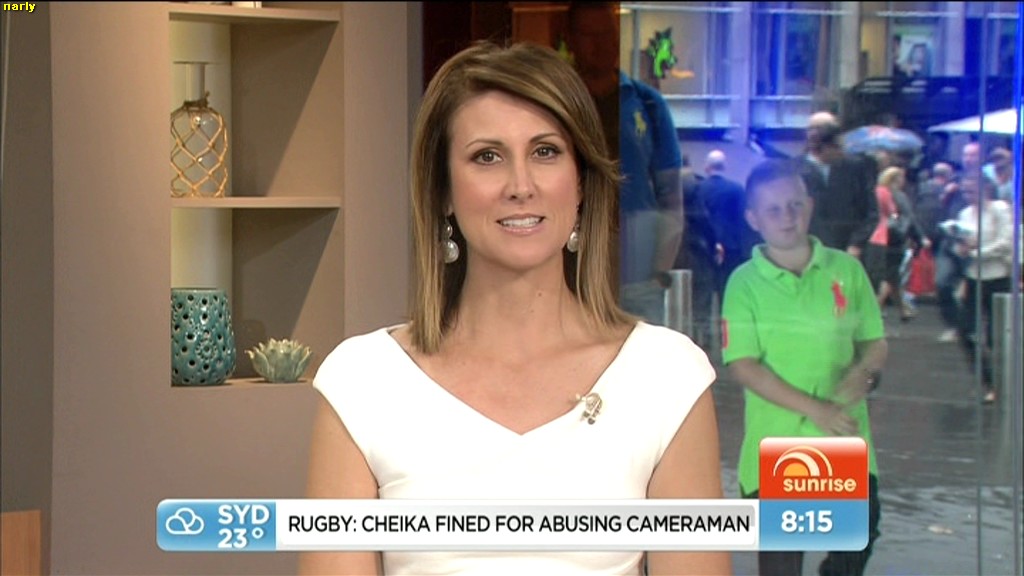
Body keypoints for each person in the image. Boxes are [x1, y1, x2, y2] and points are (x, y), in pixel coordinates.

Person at [300, 41, 731, 576]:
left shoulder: (666, 376)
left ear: (580, 182)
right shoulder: (363, 381)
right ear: (443, 191)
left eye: (545, 152)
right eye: (487, 157)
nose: (521, 186)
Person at [722, 159, 887, 576]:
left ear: (810, 206)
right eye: (774, 209)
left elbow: (874, 341)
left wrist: (865, 373)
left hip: (845, 441)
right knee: (781, 563)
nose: (787, 217)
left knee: (855, 546)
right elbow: (743, 365)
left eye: (795, 205)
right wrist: (816, 410)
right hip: (777, 447)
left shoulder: (847, 270)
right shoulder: (743, 283)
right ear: (754, 219)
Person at [565, 1, 685, 327]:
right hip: (569, 276)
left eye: (607, 34)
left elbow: (671, 197)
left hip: (639, 276)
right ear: (571, 40)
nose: (600, 45)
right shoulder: (557, 103)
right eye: (589, 35)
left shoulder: (647, 103)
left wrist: (659, 272)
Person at [951, 177, 1014, 403]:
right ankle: (990, 382)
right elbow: (960, 245)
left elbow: (1006, 242)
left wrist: (977, 253)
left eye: (972, 190)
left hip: (998, 277)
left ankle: (1006, 382)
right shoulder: (965, 214)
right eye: (965, 191)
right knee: (967, 332)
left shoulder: (1000, 210)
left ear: (985, 189)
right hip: (974, 278)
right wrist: (961, 249)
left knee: (998, 335)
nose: (968, 196)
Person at [796, 112, 880, 260]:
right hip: (806, 251)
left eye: (821, 128)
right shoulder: (794, 169)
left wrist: (856, 244)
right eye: (811, 129)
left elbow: (870, 211)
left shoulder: (855, 167)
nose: (814, 134)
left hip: (847, 249)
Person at [700, 149, 759, 295]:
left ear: (707, 167)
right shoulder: (737, 189)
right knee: (728, 289)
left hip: (703, 248)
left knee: (703, 292)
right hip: (732, 248)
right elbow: (744, 221)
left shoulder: (699, 189)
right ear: (724, 167)